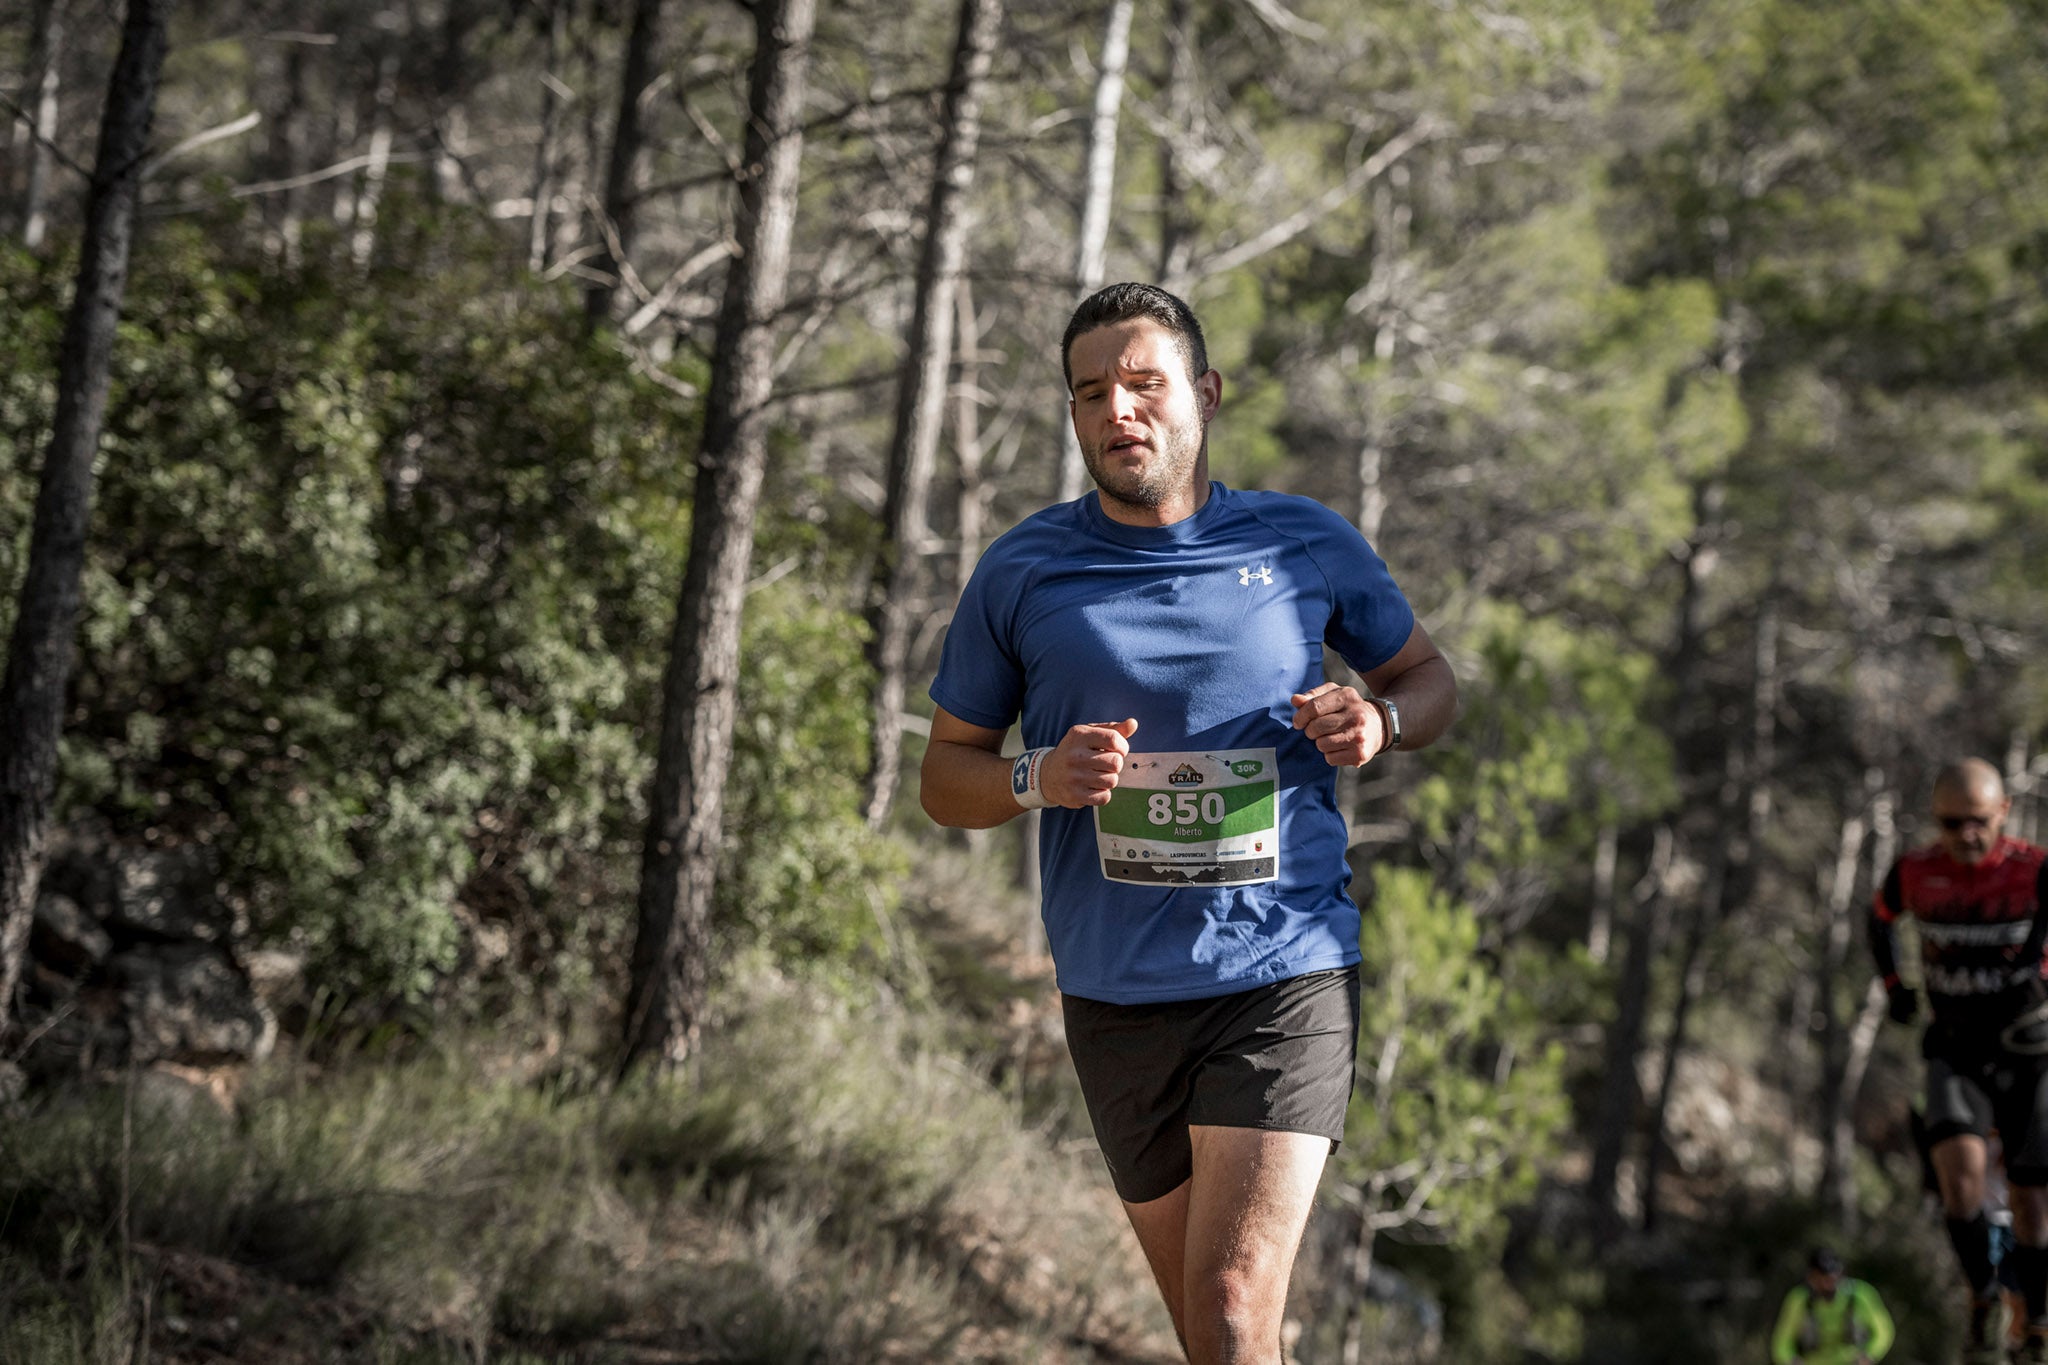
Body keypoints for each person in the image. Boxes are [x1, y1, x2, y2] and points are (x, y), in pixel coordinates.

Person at [919, 282, 1456, 1364]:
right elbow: (943, 778)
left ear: (1202, 396)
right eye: (1089, 393)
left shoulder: (1300, 543)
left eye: (1142, 384)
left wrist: (1380, 721)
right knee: (1219, 1337)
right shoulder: (1022, 571)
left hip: (1282, 970)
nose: (1116, 411)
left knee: (1224, 1302)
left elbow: (1428, 678)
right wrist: (1037, 776)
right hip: (1114, 996)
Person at [1871, 758, 2048, 1363]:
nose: (1966, 835)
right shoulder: (1916, 872)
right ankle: (1983, 1297)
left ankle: (2038, 1322)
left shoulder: (2034, 870)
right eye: (1952, 823)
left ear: (2002, 813)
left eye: (1978, 822)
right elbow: (1879, 920)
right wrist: (1896, 986)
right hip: (1954, 1051)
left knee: (2031, 1199)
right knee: (1960, 1186)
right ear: (1934, 820)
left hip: (2029, 1055)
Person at [1769, 1246, 1896, 1365]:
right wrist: (1791, 1361)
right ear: (1810, 1277)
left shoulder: (1861, 1295)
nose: (1826, 1285)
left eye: (1831, 1279)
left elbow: (1884, 1332)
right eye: (1820, 1279)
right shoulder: (1798, 1299)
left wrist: (1869, 1355)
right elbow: (1781, 1342)